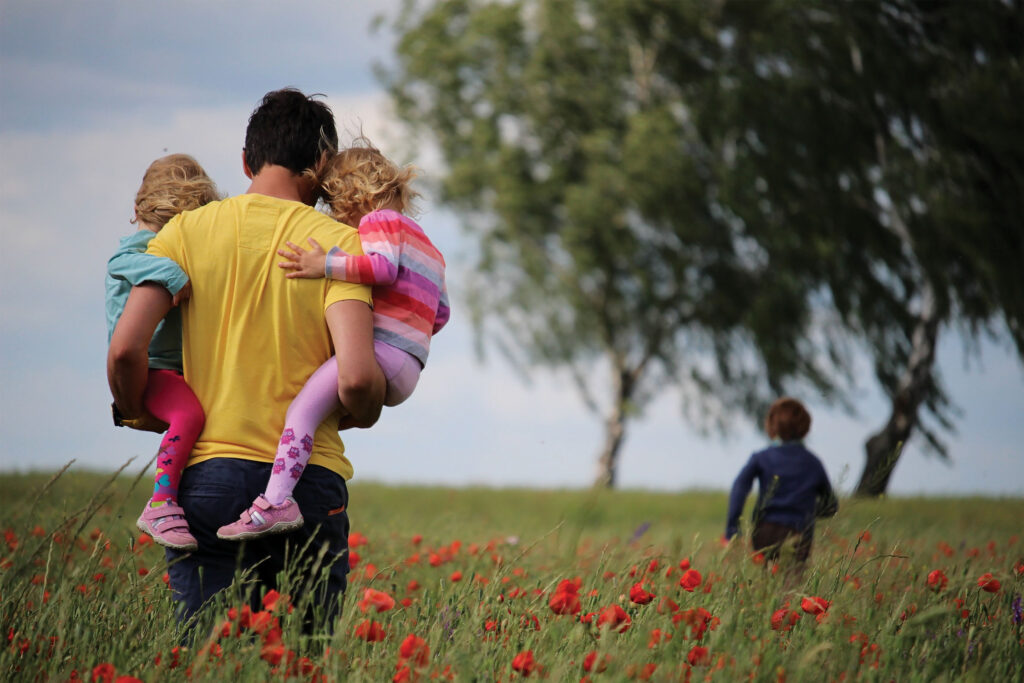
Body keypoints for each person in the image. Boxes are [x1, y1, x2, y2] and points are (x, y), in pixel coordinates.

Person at [107, 88, 386, 630]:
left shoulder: (183, 232)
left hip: (207, 478)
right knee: (303, 659)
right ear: (322, 165)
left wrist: (137, 408)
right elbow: (355, 378)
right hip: (307, 483)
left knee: (208, 655)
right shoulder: (340, 247)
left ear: (245, 161)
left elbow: (124, 348)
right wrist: (368, 408)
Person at [216, 140, 450, 540]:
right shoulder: (430, 247)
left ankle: (275, 501)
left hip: (382, 353)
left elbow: (381, 269)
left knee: (301, 412)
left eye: (336, 205)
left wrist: (324, 264)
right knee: (323, 410)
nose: (338, 217)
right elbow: (441, 314)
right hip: (410, 366)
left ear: (354, 196)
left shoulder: (379, 221)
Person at [105, 154, 220, 551]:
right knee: (189, 416)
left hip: (171, 367)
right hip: (152, 368)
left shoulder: (159, 243)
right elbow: (121, 262)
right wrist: (173, 274)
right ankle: (161, 502)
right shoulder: (142, 248)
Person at [724, 397, 838, 566]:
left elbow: (739, 489)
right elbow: (831, 506)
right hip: (799, 532)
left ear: (772, 426)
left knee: (768, 576)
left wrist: (732, 529)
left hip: (765, 531)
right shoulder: (813, 463)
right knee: (793, 578)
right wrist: (806, 512)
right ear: (805, 427)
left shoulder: (761, 458)